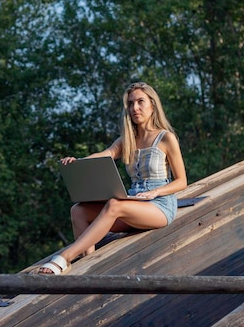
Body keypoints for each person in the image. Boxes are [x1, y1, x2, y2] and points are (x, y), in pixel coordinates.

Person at [38, 82, 187, 275]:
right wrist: (77, 161)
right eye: (131, 103)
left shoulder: (166, 138)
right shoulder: (127, 140)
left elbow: (181, 181)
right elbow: (105, 154)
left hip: (159, 206)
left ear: (152, 104)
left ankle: (65, 258)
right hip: (134, 202)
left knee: (115, 204)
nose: (135, 108)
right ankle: (88, 267)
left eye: (140, 102)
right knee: (79, 211)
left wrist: (155, 192)